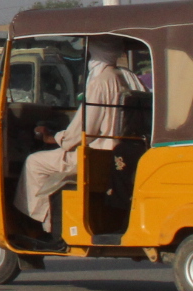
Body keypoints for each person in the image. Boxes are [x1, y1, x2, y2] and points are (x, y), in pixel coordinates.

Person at [13, 39, 143, 235]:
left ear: (96, 55)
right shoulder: (129, 77)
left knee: (35, 162)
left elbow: (84, 129)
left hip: (97, 154)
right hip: (123, 151)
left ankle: (48, 221)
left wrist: (55, 138)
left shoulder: (100, 82)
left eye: (89, 54)